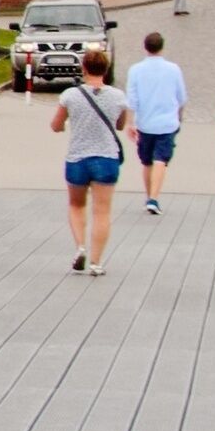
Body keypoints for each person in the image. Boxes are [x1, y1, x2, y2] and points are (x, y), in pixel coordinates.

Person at [52, 43, 134, 276]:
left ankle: (80, 247)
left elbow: (55, 125)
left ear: (84, 68)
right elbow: (119, 124)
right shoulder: (118, 96)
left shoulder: (70, 95)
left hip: (77, 158)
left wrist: (65, 125)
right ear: (106, 70)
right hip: (106, 159)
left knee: (77, 205)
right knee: (102, 212)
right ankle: (97, 263)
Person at [123, 29, 188, 214]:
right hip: (167, 123)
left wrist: (130, 123)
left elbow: (132, 99)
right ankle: (154, 198)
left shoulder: (135, 70)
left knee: (147, 162)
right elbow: (182, 97)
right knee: (161, 159)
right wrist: (179, 116)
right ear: (162, 47)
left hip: (145, 123)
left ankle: (149, 196)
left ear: (145, 48)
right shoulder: (173, 69)